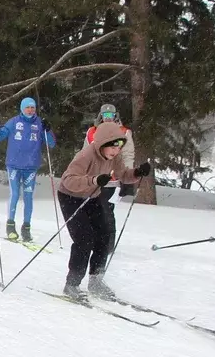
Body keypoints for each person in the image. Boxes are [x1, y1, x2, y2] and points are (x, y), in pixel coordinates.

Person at [57, 122, 151, 300]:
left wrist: (138, 172)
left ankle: (96, 280)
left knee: (104, 235)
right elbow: (68, 180)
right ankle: (72, 284)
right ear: (102, 143)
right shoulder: (85, 155)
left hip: (92, 195)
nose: (116, 151)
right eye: (113, 147)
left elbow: (123, 174)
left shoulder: (114, 156)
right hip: (70, 196)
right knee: (84, 239)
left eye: (119, 147)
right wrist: (93, 180)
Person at [0, 96, 55, 242]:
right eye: (27, 107)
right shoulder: (14, 122)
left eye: (32, 107)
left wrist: (48, 129)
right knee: (15, 194)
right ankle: (10, 225)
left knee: (28, 197)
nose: (30, 110)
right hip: (14, 165)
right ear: (22, 108)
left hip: (31, 166)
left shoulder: (39, 123)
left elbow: (51, 144)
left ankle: (26, 228)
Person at [84, 103, 136, 252]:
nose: (108, 118)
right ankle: (96, 240)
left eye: (110, 115)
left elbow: (128, 155)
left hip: (113, 180)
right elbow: (84, 153)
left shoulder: (124, 132)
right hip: (95, 179)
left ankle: (108, 244)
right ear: (101, 116)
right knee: (93, 211)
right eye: (105, 115)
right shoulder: (91, 132)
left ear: (115, 116)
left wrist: (127, 176)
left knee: (107, 211)